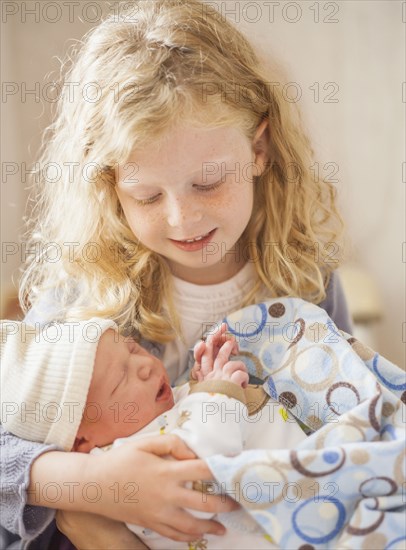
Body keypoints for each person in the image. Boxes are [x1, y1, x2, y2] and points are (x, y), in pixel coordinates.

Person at [1, 0, 353, 548]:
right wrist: (93, 485)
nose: (182, 218)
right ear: (109, 187)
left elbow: (344, 413)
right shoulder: (84, 295)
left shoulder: (304, 280)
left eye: (208, 182)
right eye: (146, 195)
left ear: (258, 149)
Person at [1, 318, 306, 550]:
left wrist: (203, 381)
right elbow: (201, 478)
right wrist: (217, 395)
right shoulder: (125, 462)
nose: (144, 366)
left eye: (133, 349)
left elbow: (194, 417)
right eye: (121, 379)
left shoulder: (158, 411)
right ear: (82, 442)